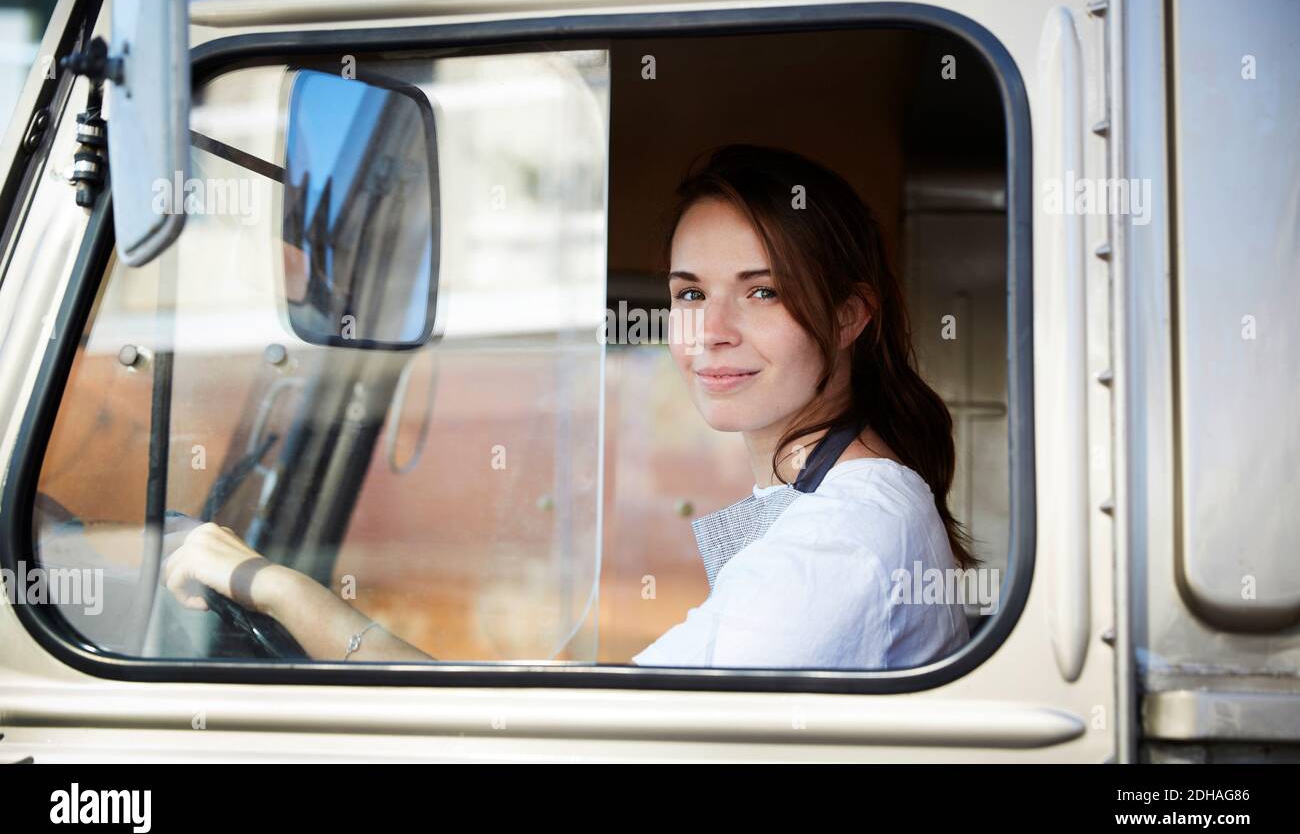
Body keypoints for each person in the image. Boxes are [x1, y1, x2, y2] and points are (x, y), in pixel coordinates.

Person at [162, 144, 977, 669]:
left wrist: (278, 592)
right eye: (690, 293)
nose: (711, 332)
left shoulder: (838, 543)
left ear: (848, 315)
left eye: (762, 291)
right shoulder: (830, 508)